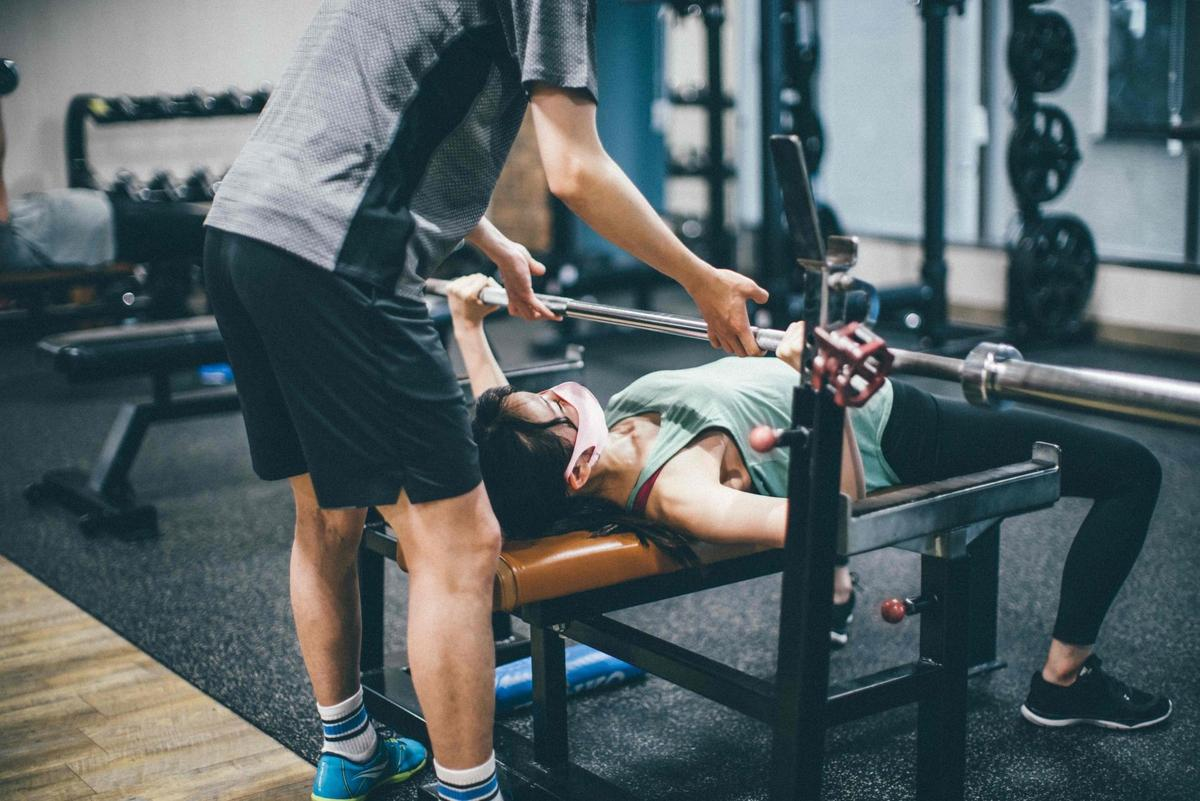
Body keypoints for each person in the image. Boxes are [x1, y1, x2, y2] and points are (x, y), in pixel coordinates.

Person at [200, 3, 768, 801]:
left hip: (240, 234)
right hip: (338, 254)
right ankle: (469, 792)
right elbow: (575, 170)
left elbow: (378, 115)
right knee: (462, 546)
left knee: (329, 515)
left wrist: (493, 243)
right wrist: (701, 279)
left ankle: (350, 745)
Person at [447, 272, 1173, 733]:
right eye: (552, 405)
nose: (557, 397)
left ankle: (837, 598)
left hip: (863, 395)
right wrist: (823, 391)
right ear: (575, 472)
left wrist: (467, 322)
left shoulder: (574, 447)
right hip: (902, 432)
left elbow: (500, 418)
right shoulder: (683, 494)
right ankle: (1064, 680)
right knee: (1132, 469)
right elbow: (832, 518)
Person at [0, 99, 204, 315]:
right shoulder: (3, 246)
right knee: (208, 229)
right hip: (113, 228)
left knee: (196, 236)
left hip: (110, 215)